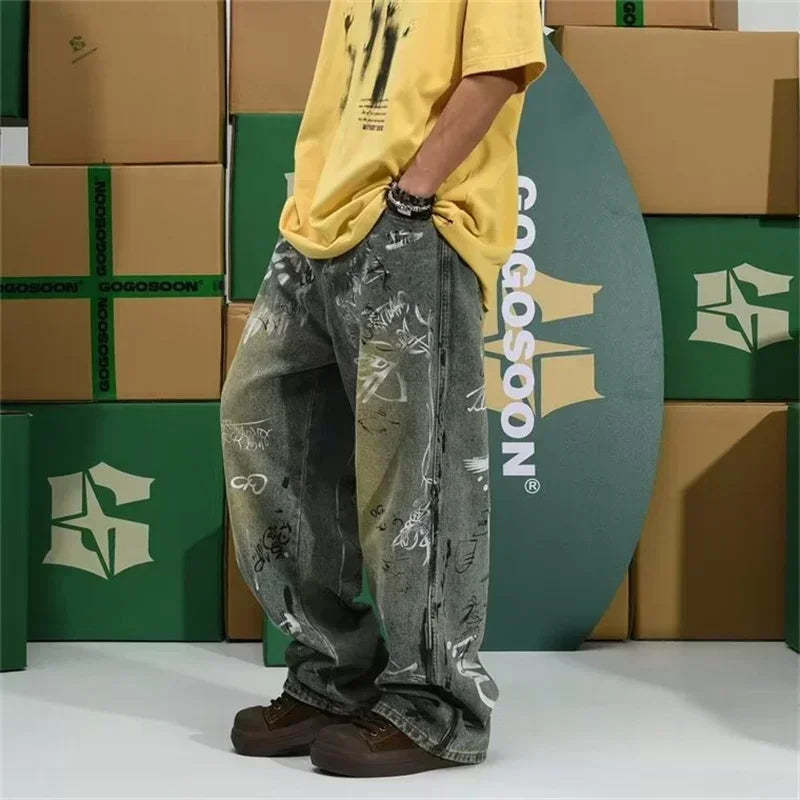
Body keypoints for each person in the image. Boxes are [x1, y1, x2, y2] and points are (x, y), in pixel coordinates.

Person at [221, 0, 547, 777]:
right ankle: (332, 675)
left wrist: (414, 193)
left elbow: (501, 68)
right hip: (317, 224)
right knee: (263, 422)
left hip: (414, 223)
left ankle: (435, 706)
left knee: (415, 475)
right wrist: (314, 199)